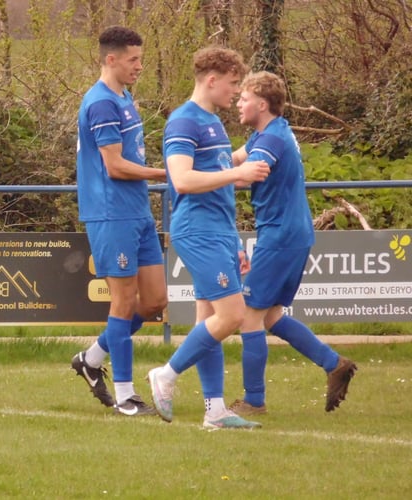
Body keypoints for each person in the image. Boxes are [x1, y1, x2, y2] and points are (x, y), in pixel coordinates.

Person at [147, 46, 271, 429]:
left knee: (208, 319)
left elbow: (217, 187)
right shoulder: (184, 122)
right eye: (233, 84)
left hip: (217, 231)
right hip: (196, 231)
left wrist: (234, 241)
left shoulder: (213, 121)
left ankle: (215, 410)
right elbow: (181, 180)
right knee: (231, 315)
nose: (236, 92)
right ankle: (165, 374)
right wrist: (238, 174)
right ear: (212, 80)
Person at [227, 70, 357, 416]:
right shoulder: (271, 132)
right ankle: (334, 363)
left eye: (244, 98)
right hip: (291, 234)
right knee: (270, 316)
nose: (238, 102)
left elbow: (244, 174)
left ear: (263, 104)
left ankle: (253, 401)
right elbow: (234, 159)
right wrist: (196, 159)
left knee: (248, 317)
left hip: (281, 236)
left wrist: (198, 181)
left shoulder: (270, 141)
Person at [71, 26, 168, 416]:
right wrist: (166, 174)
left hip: (137, 210)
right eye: (133, 60)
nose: (139, 67)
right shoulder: (100, 103)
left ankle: (91, 359)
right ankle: (126, 397)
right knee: (124, 301)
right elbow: (114, 165)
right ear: (111, 59)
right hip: (111, 212)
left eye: (141, 59)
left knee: (155, 301)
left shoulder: (124, 97)